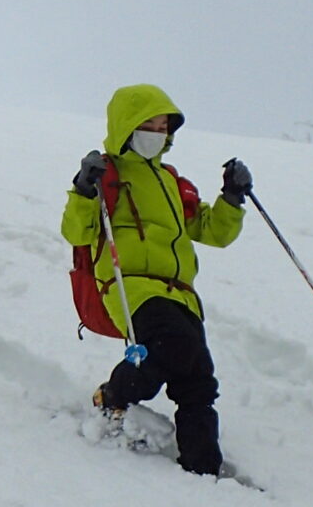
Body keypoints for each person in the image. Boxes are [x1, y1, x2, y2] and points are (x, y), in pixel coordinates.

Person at [63, 88, 250, 478]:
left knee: (198, 379)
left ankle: (203, 467)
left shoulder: (170, 181)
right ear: (126, 127)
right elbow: (77, 232)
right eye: (148, 124)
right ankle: (113, 395)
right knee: (173, 345)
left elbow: (213, 232)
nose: (156, 132)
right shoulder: (108, 173)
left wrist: (231, 198)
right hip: (129, 283)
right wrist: (84, 188)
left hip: (181, 292)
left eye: (163, 126)